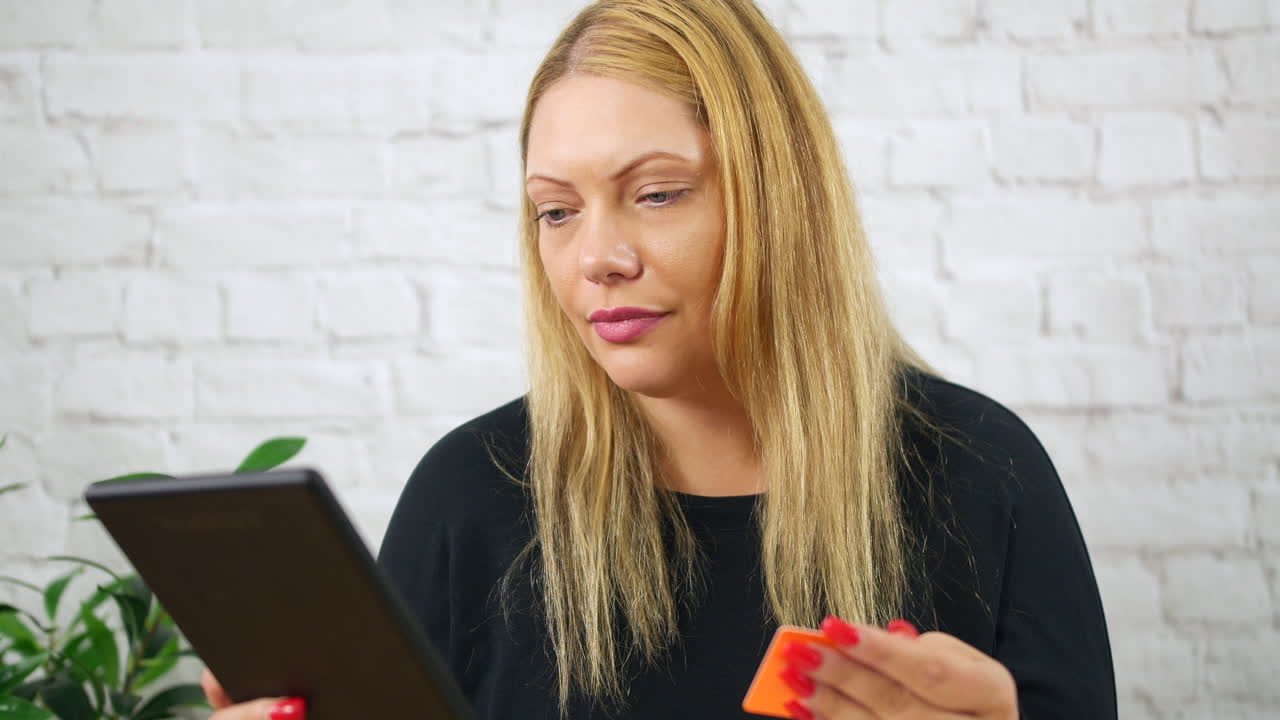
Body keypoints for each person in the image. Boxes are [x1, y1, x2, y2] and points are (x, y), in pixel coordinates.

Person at [201, 0, 1117, 718]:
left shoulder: (982, 473)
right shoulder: (468, 498)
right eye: (557, 211)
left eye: (657, 194)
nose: (597, 256)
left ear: (777, 198)